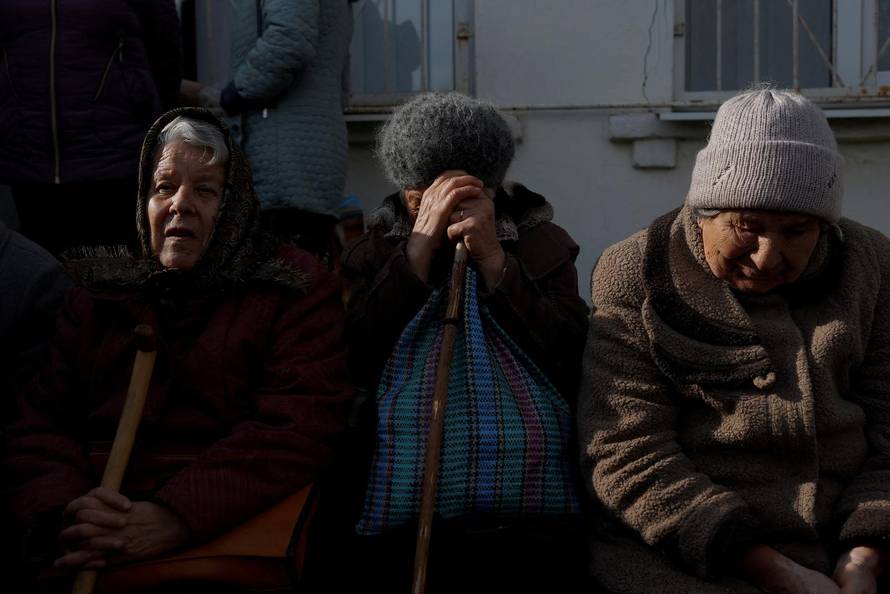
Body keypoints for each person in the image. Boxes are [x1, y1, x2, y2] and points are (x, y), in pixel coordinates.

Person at [4, 108, 353, 590]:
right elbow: (38, 424)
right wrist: (69, 510)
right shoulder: (99, 296)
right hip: (94, 537)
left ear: (233, 207)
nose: (179, 205)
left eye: (205, 191)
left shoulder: (290, 288)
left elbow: (299, 423)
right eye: (164, 187)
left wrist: (175, 515)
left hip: (225, 538)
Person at [578, 89, 890, 593]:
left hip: (850, 556)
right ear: (703, 213)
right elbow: (624, 451)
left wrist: (864, 556)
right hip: (686, 564)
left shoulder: (871, 265)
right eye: (746, 226)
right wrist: (773, 570)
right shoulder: (636, 273)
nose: (767, 257)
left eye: (796, 231)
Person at [323, 92, 590, 593]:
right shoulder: (375, 249)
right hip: (402, 504)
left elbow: (569, 352)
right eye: (430, 195)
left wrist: (494, 261)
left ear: (493, 188)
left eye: (466, 191)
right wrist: (417, 251)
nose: (448, 207)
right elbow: (357, 354)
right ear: (407, 194)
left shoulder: (540, 241)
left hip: (528, 518)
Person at [0, 0, 181, 255]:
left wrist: (147, 113)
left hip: (115, 156)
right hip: (30, 157)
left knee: (112, 275)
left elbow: (165, 48)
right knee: (46, 279)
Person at [191, 0, 351, 264]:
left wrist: (236, 93)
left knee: (279, 288)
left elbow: (290, 39)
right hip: (306, 156)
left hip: (285, 162)